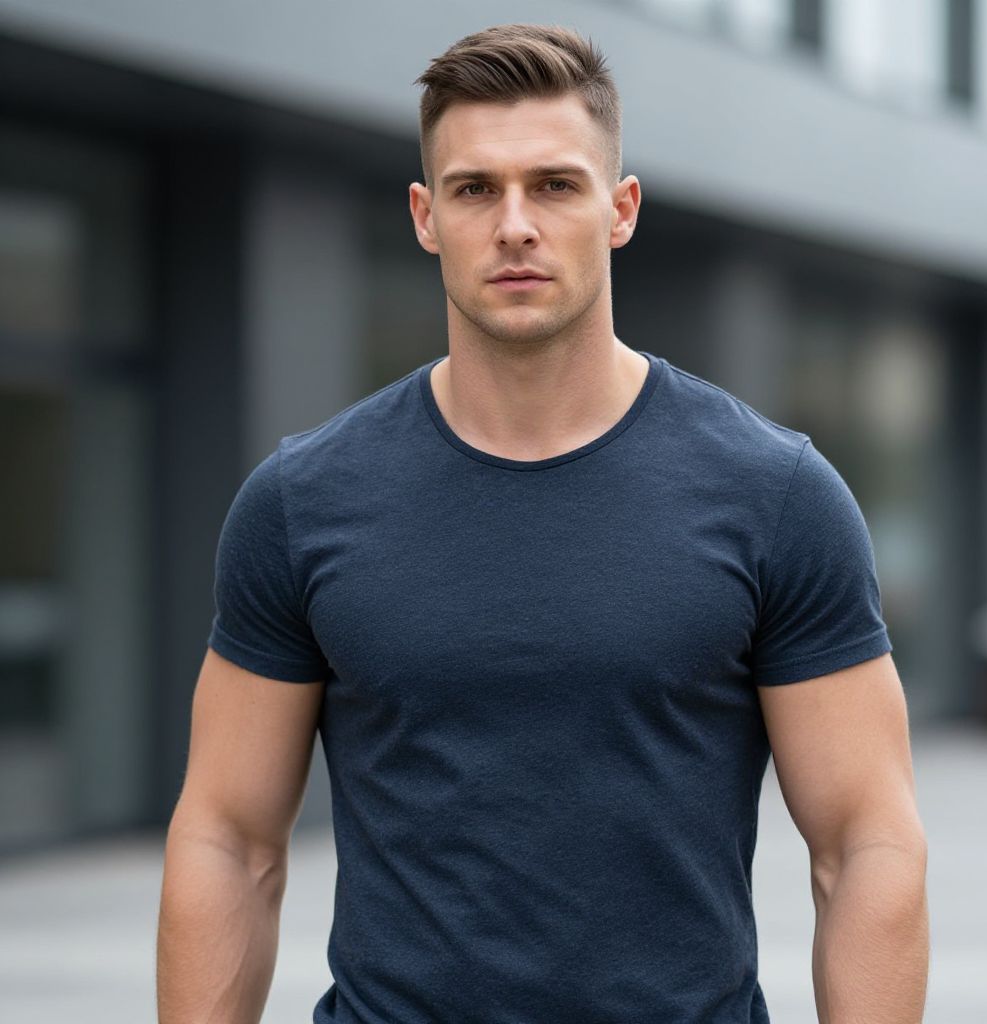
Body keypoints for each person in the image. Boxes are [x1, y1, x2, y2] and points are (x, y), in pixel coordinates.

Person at [156, 23, 930, 1024]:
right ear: (425, 216)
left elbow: (865, 838)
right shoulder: (302, 500)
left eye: (555, 185)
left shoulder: (772, 493)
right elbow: (229, 837)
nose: (514, 224)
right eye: (476, 189)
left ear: (620, 209)